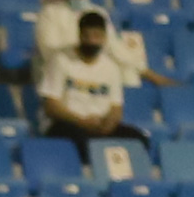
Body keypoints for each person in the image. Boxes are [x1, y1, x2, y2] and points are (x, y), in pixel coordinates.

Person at [35, 0, 172, 87]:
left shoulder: (98, 12)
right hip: (64, 68)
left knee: (129, 75)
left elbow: (114, 46)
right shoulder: (50, 13)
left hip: (94, 64)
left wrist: (147, 72)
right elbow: (50, 50)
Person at [38, 10, 150, 163]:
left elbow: (116, 108)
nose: (91, 41)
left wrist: (108, 125)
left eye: (96, 36)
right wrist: (81, 121)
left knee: (138, 140)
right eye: (87, 36)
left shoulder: (111, 68)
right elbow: (51, 106)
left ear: (104, 38)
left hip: (99, 126)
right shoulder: (61, 60)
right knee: (82, 142)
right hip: (68, 124)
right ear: (80, 35)